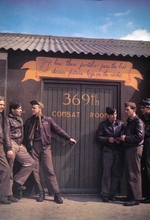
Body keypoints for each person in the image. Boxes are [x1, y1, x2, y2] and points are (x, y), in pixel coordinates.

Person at [23, 100, 77, 204]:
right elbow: (25, 135)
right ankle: (40, 193)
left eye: (34, 108)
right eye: (32, 108)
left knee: (49, 171)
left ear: (40, 109)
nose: (32, 109)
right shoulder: (29, 121)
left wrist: (68, 138)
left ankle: (56, 194)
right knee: (35, 171)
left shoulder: (47, 120)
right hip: (33, 147)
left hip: (45, 147)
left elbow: (58, 130)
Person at [5, 101, 35, 199]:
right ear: (13, 110)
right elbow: (6, 134)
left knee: (30, 162)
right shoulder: (7, 119)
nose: (21, 110)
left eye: (21, 108)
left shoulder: (19, 119)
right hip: (12, 143)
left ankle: (17, 183)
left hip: (20, 144)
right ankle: (9, 194)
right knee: (10, 168)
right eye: (19, 109)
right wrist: (9, 148)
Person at [97, 107, 125, 202]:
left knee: (116, 173)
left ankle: (113, 193)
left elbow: (124, 134)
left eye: (115, 114)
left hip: (118, 150)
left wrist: (119, 140)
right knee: (106, 172)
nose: (114, 116)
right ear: (108, 115)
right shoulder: (103, 125)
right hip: (107, 150)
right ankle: (105, 194)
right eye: (112, 114)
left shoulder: (121, 124)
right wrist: (107, 139)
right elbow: (98, 137)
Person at [120, 102, 145, 206]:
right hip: (130, 148)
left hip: (134, 149)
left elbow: (139, 136)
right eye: (125, 109)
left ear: (134, 110)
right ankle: (130, 196)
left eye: (127, 109)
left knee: (134, 173)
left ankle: (135, 198)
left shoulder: (138, 122)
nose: (125, 111)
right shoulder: (131, 122)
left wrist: (126, 138)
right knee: (130, 173)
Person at [0, 96, 12, 204]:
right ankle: (3, 197)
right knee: (6, 169)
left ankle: (5, 195)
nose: (2, 107)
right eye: (0, 104)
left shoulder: (2, 117)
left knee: (5, 169)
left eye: (3, 105)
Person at [139, 98, 150, 203]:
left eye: (143, 108)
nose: (141, 109)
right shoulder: (144, 117)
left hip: (148, 143)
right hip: (145, 143)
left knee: (148, 168)